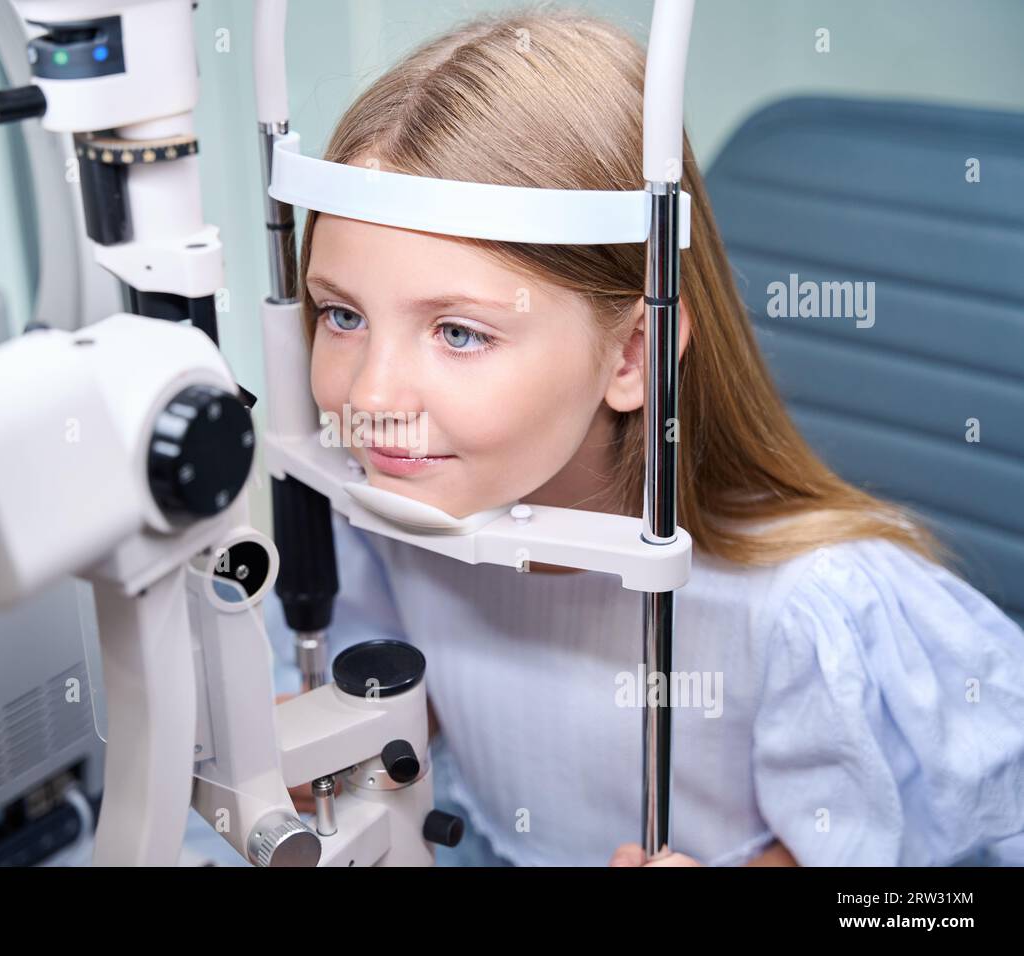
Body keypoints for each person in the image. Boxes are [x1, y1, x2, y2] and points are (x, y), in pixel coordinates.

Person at [265, 5, 1024, 867]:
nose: (371, 395)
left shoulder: (809, 615)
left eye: (459, 332)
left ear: (635, 353)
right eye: (343, 314)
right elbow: (462, 699)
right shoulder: (396, 509)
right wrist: (365, 738)